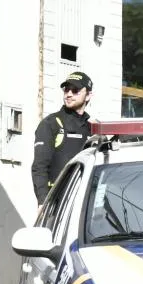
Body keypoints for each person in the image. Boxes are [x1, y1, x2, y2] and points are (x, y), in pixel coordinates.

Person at [31, 71, 94, 208]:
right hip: (57, 204)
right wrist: (42, 202)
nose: (69, 94)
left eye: (75, 90)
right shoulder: (51, 123)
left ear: (88, 95)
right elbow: (39, 167)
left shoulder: (92, 127)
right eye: (66, 89)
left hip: (85, 203)